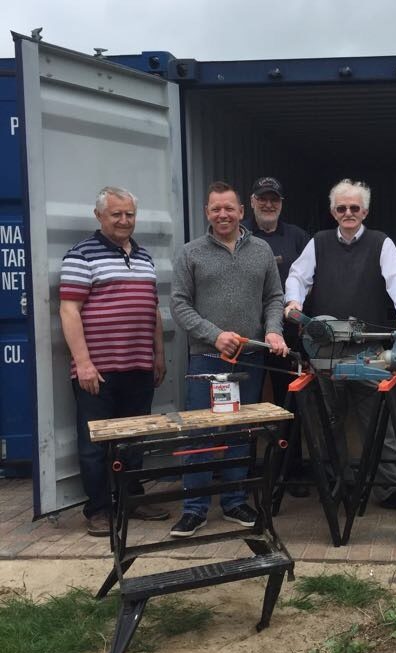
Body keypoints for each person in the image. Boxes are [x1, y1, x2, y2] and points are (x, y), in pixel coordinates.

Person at [284, 179, 396, 514]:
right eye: (341, 208)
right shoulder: (318, 242)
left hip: (367, 351)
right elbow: (298, 277)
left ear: (365, 211)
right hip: (326, 349)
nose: (348, 213)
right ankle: (337, 484)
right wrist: (293, 303)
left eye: (354, 208)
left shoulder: (380, 243)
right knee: (328, 420)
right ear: (333, 212)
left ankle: (389, 487)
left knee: (380, 420)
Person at [170, 181, 289, 537]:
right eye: (215, 208)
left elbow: (274, 297)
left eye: (229, 208)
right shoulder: (191, 253)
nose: (223, 214)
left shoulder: (262, 250)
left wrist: (273, 330)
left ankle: (236, 501)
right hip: (207, 360)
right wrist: (214, 335)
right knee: (202, 433)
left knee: (241, 432)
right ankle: (194, 508)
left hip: (249, 360)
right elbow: (179, 304)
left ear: (241, 211)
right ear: (207, 212)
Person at [60, 186, 169, 537]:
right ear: (99, 216)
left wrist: (158, 354)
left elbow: (152, 310)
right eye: (116, 214)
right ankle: (99, 510)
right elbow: (69, 310)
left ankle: (132, 500)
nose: (124, 221)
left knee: (134, 439)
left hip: (138, 365)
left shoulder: (144, 256)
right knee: (95, 444)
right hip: (98, 370)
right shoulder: (81, 255)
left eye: (130, 215)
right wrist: (84, 363)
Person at [245, 176, 311, 497]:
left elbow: (313, 278)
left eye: (274, 199)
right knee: (247, 405)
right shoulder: (240, 234)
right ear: (252, 201)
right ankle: (245, 474)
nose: (268, 204)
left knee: (290, 404)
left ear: (281, 204)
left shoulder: (297, 237)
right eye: (263, 198)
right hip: (249, 337)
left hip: (290, 337)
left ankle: (291, 472)